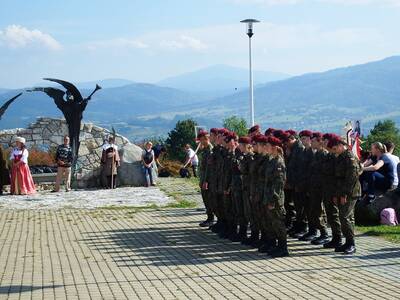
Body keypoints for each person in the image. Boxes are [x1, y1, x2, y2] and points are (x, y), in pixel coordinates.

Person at [330, 136, 362, 255]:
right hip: (341, 190)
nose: (334, 149)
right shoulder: (340, 157)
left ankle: (351, 243)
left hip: (350, 192)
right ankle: (348, 242)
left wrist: (344, 194)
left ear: (342, 145)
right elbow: (336, 178)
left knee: (345, 217)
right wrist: (336, 194)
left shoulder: (349, 158)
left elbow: (351, 178)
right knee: (345, 217)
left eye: (336, 147)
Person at [263, 136, 289, 257]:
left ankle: (283, 247)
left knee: (278, 223)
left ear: (273, 147)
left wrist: (273, 199)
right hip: (269, 196)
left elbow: (278, 183)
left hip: (276, 198)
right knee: (272, 222)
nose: (265, 148)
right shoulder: (271, 160)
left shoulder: (279, 162)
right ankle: (277, 245)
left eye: (267, 146)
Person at [197, 130, 215, 227]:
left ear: (205, 139)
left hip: (208, 180)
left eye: (201, 139)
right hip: (203, 178)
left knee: (209, 200)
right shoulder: (204, 150)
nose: (200, 142)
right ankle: (209, 218)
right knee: (205, 199)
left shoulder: (210, 150)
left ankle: (211, 219)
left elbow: (209, 167)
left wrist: (206, 181)